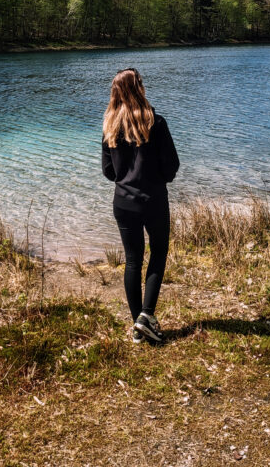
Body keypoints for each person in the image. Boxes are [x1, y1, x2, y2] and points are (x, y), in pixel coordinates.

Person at [102, 67, 180, 344]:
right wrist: (158, 179)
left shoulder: (110, 126)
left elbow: (109, 172)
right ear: (139, 88)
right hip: (153, 200)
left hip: (123, 202)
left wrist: (126, 178)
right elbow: (172, 165)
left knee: (133, 261)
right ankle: (146, 316)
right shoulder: (156, 123)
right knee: (158, 253)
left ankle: (139, 324)